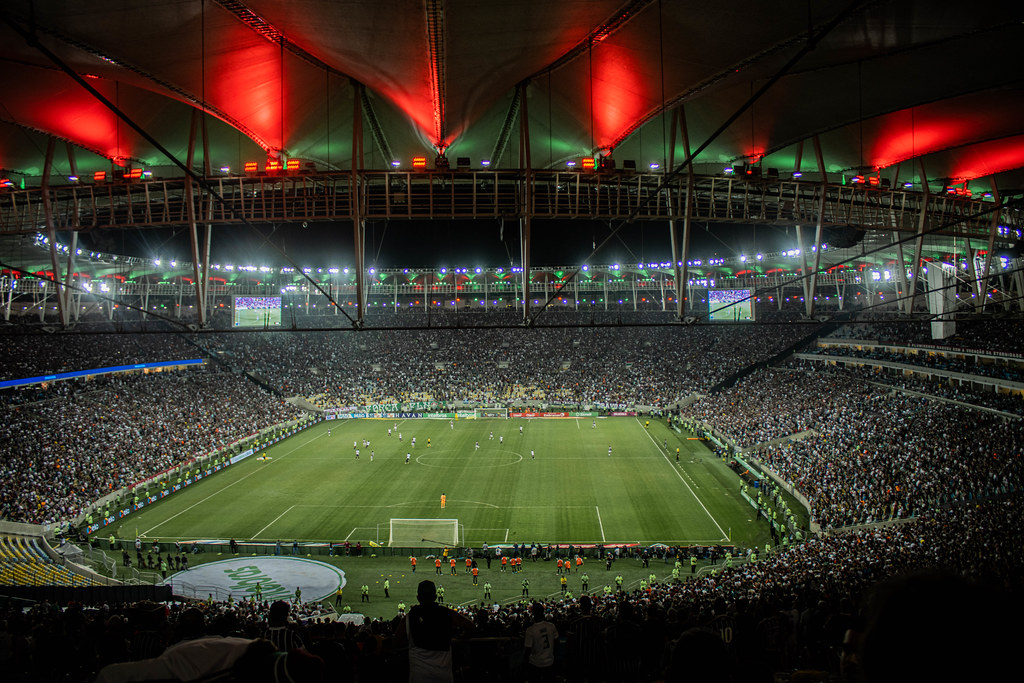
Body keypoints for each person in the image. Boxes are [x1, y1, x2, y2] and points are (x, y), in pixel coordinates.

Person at [394, 580, 474, 683]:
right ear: (435, 597)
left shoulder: (409, 618)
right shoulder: (447, 614)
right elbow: (470, 626)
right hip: (443, 675)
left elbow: (396, 642)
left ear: (418, 598)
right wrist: (461, 638)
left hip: (419, 675)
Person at [524, 602, 558, 682]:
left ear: (533, 613)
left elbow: (527, 650)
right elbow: (557, 643)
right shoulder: (551, 626)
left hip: (535, 663)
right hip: (549, 662)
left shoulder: (530, 630)